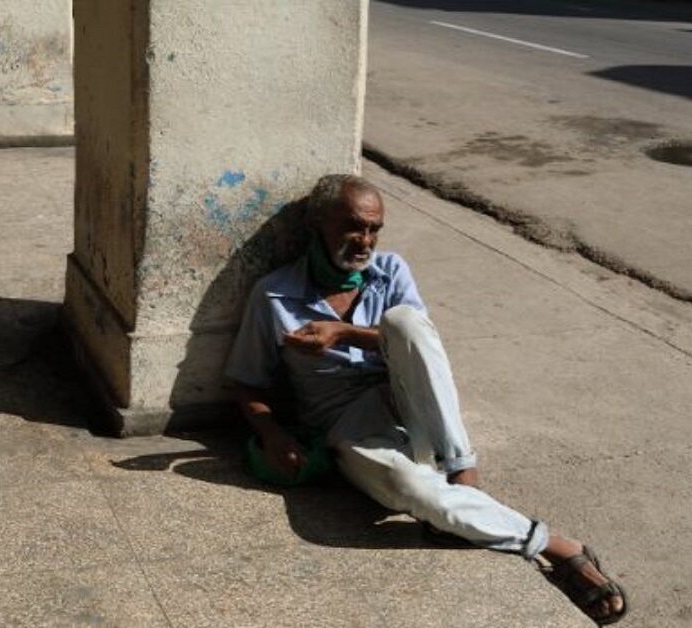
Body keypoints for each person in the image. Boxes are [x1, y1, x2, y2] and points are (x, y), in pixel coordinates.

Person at [225, 174, 628, 626]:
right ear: (317, 223)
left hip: (411, 404)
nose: (365, 241)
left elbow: (421, 346)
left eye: (375, 229)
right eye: (354, 227)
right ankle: (558, 546)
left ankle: (462, 469)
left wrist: (344, 333)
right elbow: (246, 382)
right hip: (347, 424)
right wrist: (272, 432)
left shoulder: (391, 271)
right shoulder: (274, 294)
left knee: (407, 323)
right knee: (414, 493)